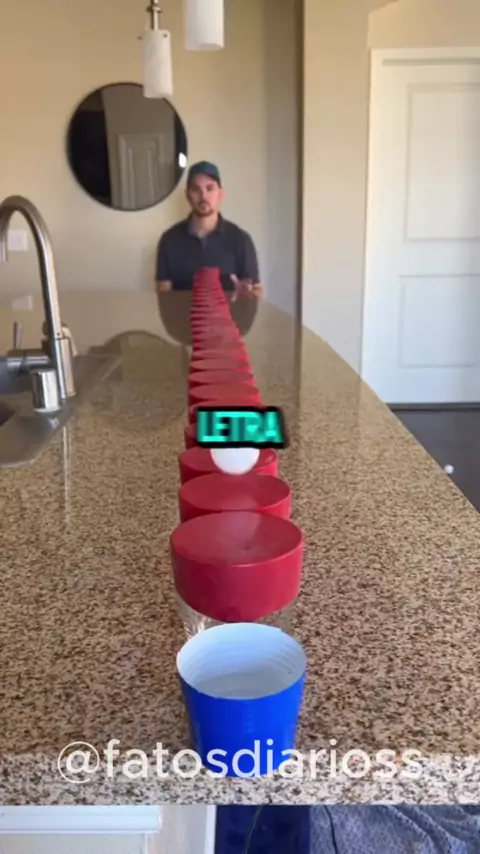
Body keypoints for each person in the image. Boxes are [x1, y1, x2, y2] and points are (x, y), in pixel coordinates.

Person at [155, 161, 263, 300]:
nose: (203, 196)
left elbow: (255, 291)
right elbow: (164, 297)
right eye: (195, 189)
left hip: (228, 314)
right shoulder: (169, 240)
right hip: (181, 315)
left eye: (210, 188)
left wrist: (248, 294)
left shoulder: (241, 240)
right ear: (187, 195)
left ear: (221, 194)